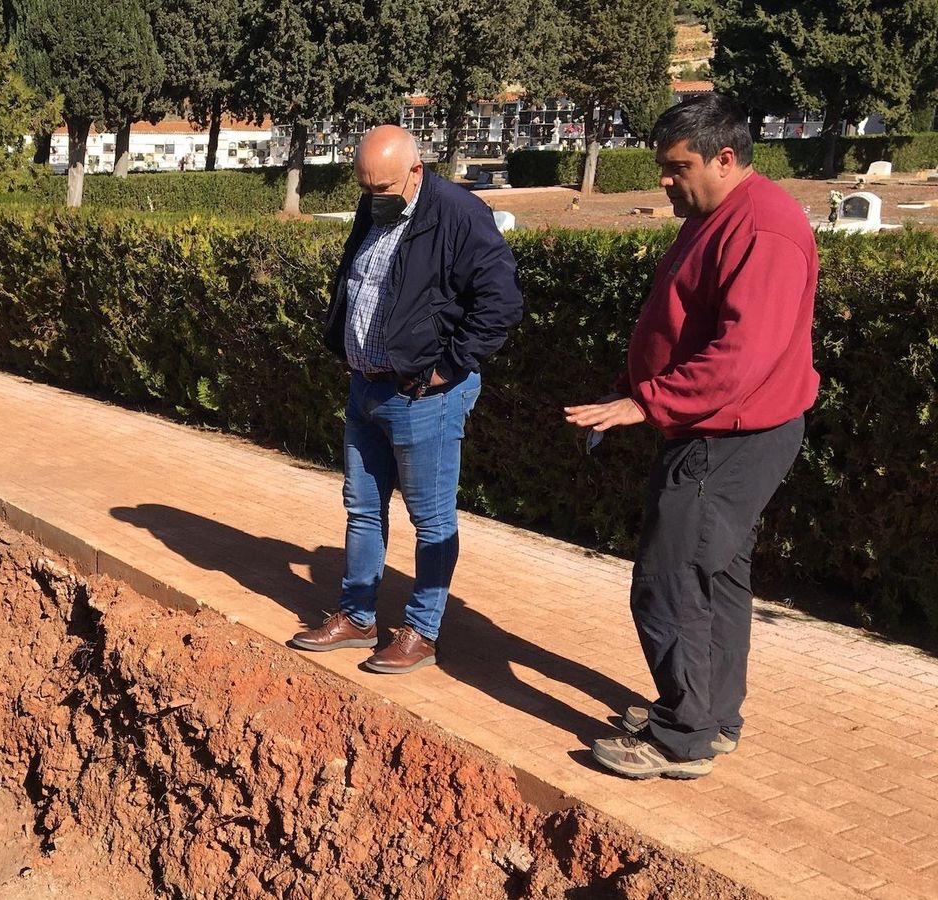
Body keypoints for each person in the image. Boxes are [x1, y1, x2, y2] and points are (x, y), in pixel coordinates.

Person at [564, 93, 818, 780]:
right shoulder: (715, 214)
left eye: (677, 169)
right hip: (716, 432)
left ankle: (682, 736)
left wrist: (648, 403)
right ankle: (711, 715)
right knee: (718, 579)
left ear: (725, 158)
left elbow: (740, 359)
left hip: (729, 439)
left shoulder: (762, 228)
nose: (664, 182)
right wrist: (635, 389)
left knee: (670, 582)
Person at [289, 125, 523, 674]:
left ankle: (422, 630)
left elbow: (501, 302)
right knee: (362, 508)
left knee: (432, 519)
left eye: (385, 188)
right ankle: (357, 616)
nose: (375, 198)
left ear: (416, 172)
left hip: (424, 396)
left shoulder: (459, 215)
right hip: (366, 386)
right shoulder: (377, 201)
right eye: (366, 187)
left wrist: (446, 369)